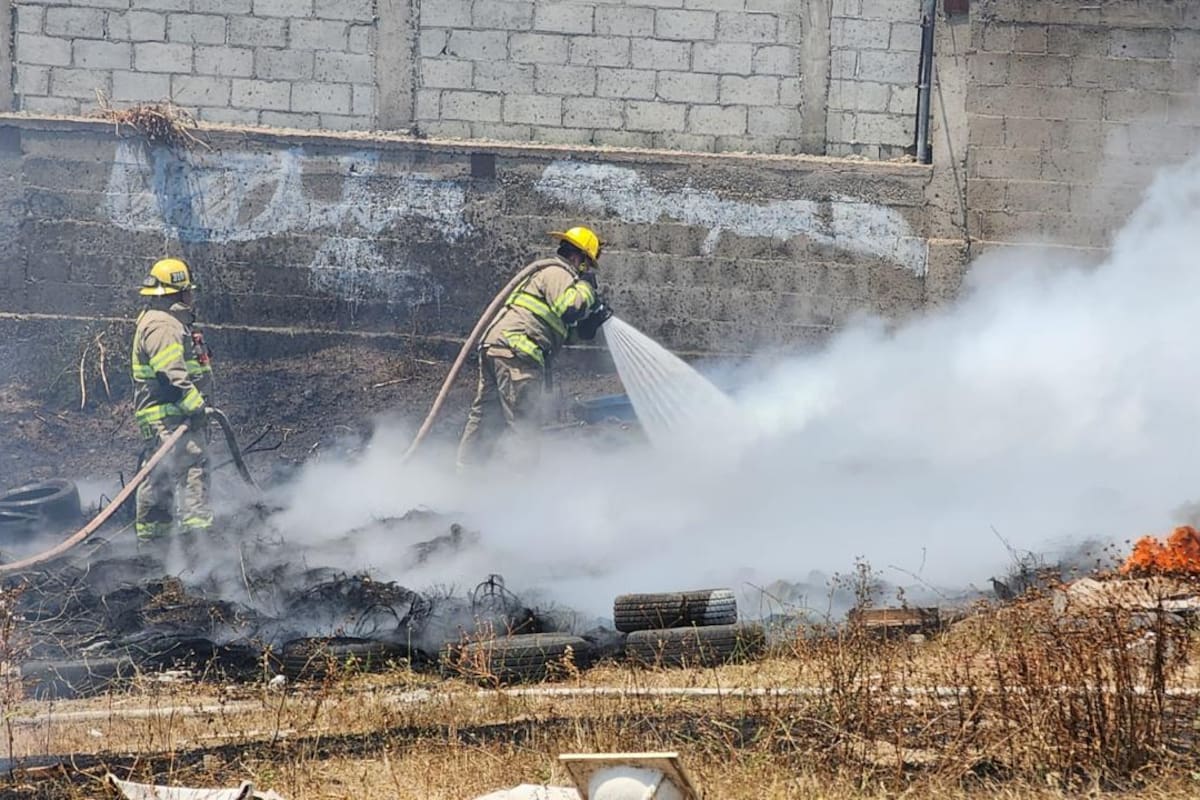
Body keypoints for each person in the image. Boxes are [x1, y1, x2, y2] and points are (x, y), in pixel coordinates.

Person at [456, 226, 613, 473]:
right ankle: (521, 490)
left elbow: (561, 323)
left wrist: (589, 322)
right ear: (577, 258)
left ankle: (466, 477)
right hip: (518, 354)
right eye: (587, 265)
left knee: (487, 417)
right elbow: (570, 307)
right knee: (524, 425)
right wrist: (586, 290)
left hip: (497, 348)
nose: (587, 271)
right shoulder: (559, 272)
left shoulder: (546, 275)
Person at [130, 257, 214, 544]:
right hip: (169, 413)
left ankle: (158, 541)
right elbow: (172, 374)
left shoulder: (166, 321)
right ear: (176, 293)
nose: (192, 296)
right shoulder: (163, 325)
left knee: (163, 472)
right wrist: (195, 405)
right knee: (189, 467)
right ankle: (195, 539)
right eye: (188, 290)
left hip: (170, 413)